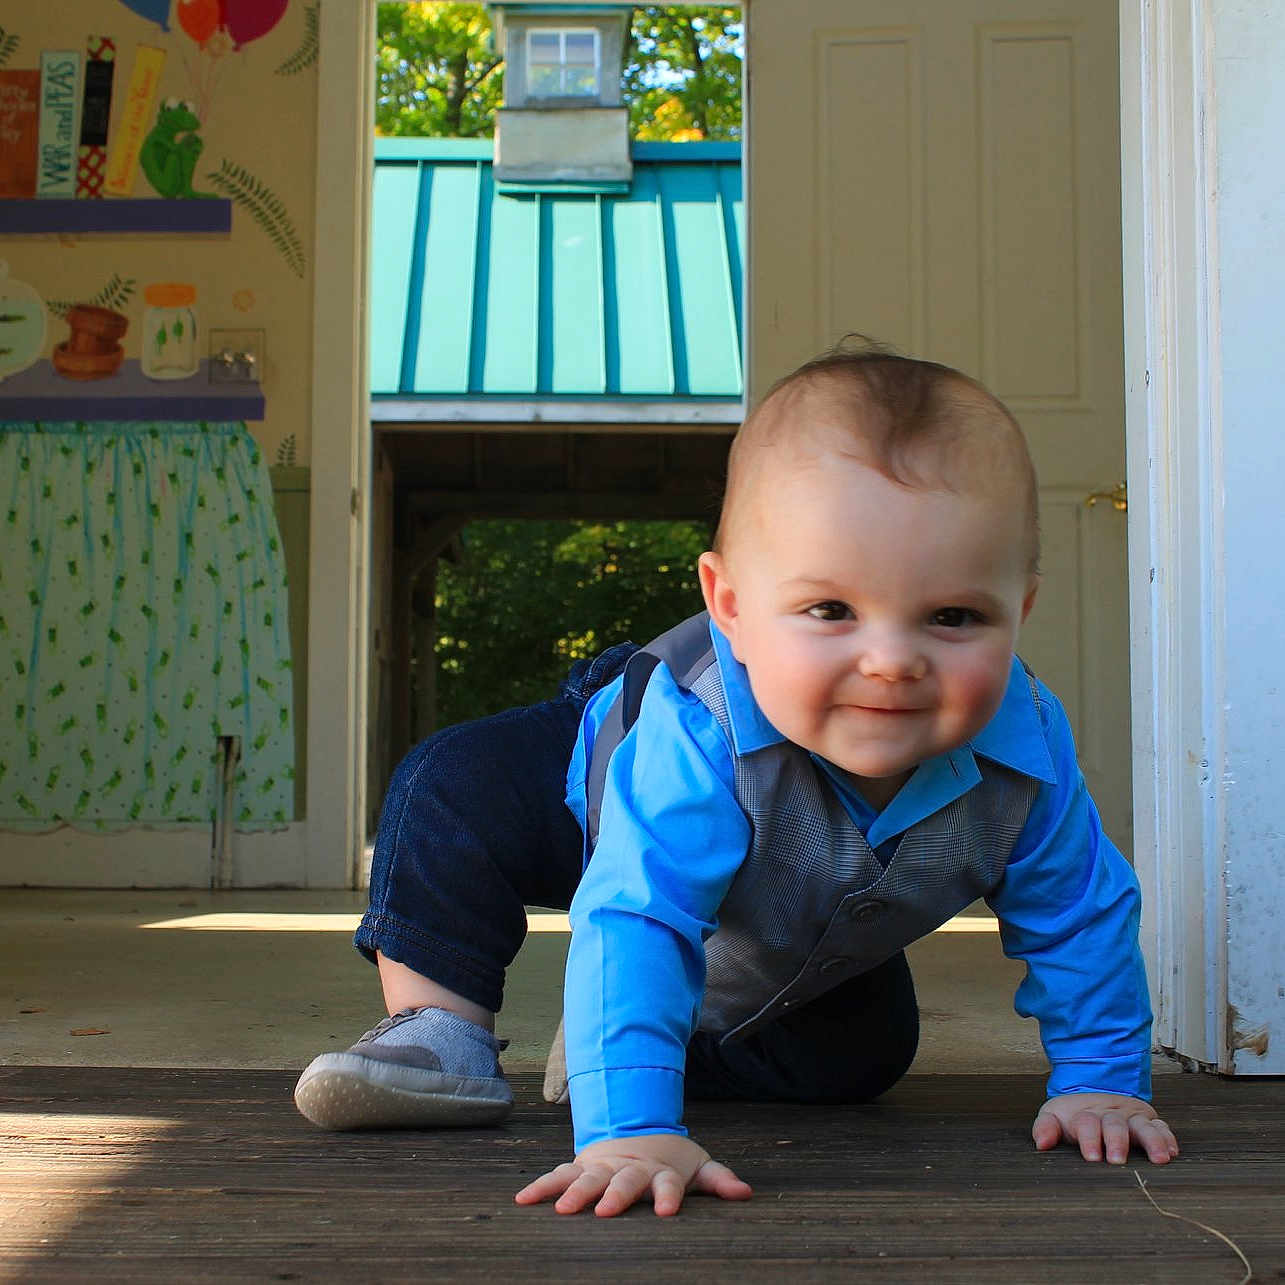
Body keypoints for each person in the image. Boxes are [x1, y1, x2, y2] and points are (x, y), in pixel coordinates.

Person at [294, 343, 1179, 1217]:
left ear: (1017, 611)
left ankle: (654, 1039)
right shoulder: (698, 728)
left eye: (952, 616)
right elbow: (638, 908)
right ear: (731, 610)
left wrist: (1101, 1083)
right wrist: (630, 1127)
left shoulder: (1024, 755)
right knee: (451, 786)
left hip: (803, 912)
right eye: (830, 609)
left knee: (860, 1057)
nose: (890, 661)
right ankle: (441, 1033)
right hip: (600, 791)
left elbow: (1080, 914)